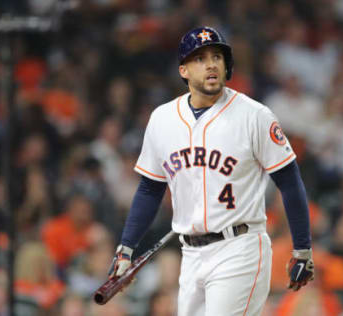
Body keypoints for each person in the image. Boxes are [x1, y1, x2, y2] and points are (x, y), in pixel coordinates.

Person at [108, 26, 314, 315]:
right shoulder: (162, 119)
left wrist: (302, 248)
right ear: (184, 70)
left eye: (217, 56)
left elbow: (290, 181)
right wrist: (126, 248)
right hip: (190, 254)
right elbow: (150, 188)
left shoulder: (254, 116)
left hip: (240, 248)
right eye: (200, 58)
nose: (211, 64)